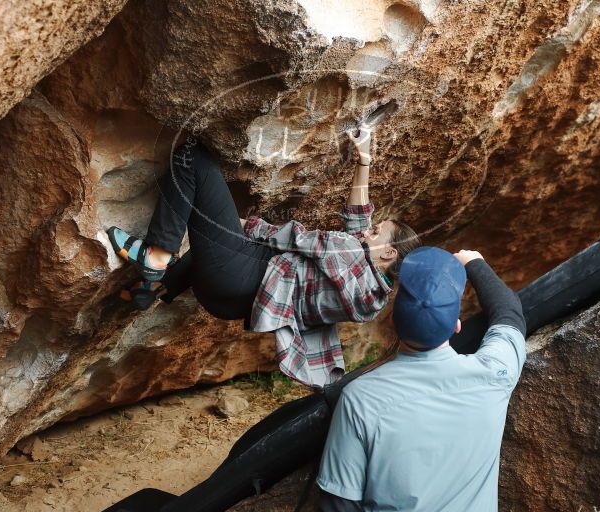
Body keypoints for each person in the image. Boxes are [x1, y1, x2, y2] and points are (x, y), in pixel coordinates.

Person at [106, 126, 421, 387]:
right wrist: (363, 160)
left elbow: (294, 238)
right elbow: (358, 221)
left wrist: (239, 224)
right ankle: (157, 290)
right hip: (231, 303)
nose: (368, 232)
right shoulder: (370, 294)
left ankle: (156, 253)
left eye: (377, 232)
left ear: (389, 253)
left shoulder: (350, 253)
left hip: (236, 273)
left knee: (194, 157)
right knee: (220, 244)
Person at [315, 246, 527, 512]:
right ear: (456, 326)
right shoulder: (494, 375)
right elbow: (510, 315)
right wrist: (474, 262)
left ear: (391, 322)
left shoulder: (360, 399)